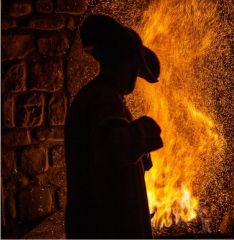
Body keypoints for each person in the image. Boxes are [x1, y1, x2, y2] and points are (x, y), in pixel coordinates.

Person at [64, 14, 163, 239]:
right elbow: (112, 148)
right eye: (134, 69)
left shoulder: (101, 97)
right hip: (106, 226)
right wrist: (144, 131)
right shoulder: (102, 98)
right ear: (124, 64)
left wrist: (139, 154)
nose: (134, 79)